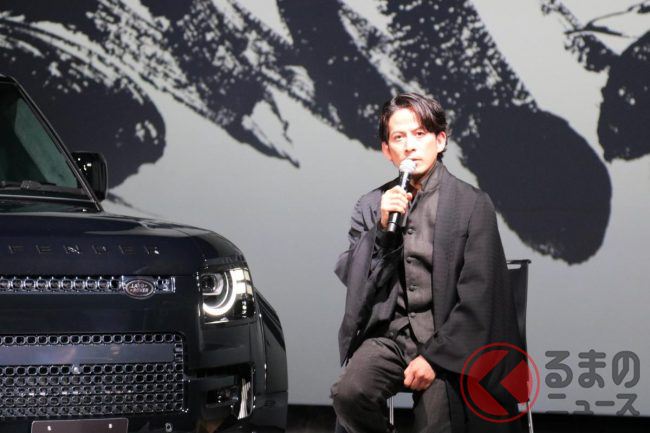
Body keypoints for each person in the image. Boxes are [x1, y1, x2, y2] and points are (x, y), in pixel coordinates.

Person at [331, 92, 523, 433]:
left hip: (447, 340)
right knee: (349, 393)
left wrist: (434, 358)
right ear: (386, 150)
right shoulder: (371, 205)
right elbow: (356, 281)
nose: (409, 146)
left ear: (440, 140)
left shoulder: (471, 204)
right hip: (390, 337)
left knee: (436, 423)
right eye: (398, 137)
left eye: (419, 134)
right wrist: (381, 231)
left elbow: (479, 296)